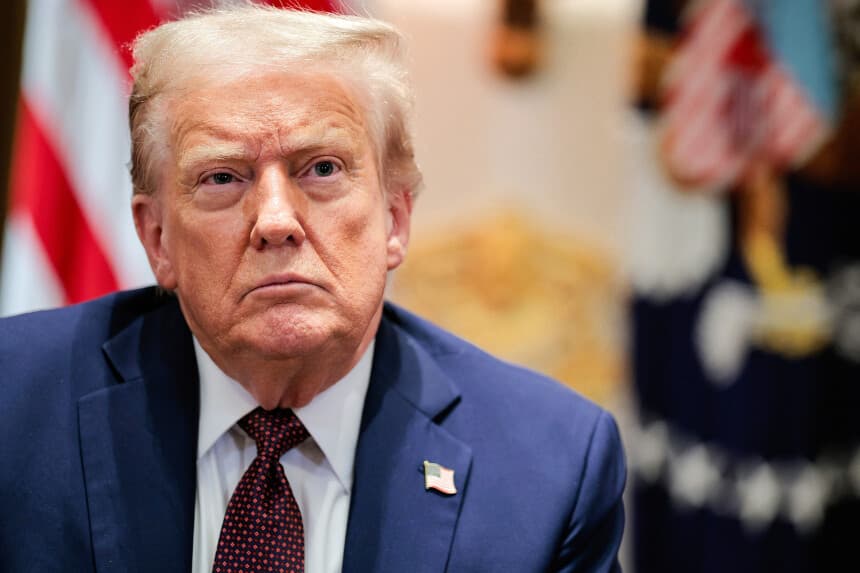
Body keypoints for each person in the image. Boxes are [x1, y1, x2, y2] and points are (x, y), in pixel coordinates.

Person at [0, 5, 626, 572]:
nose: (276, 221)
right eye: (222, 177)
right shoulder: (15, 404)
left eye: (322, 169)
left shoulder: (548, 473)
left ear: (395, 219)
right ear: (158, 237)